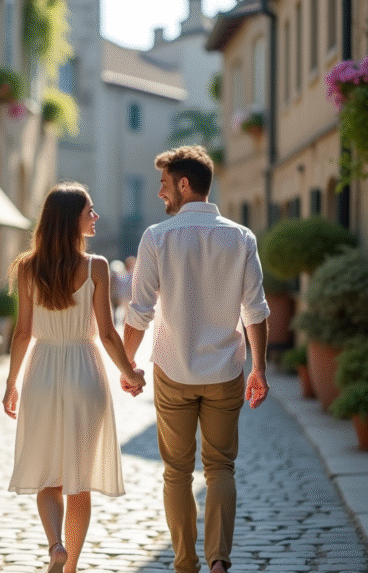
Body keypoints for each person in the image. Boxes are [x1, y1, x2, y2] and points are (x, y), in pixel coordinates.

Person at [120, 146, 270, 573]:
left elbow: (140, 310)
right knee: (221, 467)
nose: (160, 194)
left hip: (173, 371)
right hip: (225, 371)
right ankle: (219, 561)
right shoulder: (241, 237)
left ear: (184, 184)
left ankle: (185, 564)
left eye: (165, 185)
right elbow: (255, 310)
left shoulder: (157, 237)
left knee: (176, 472)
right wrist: (258, 368)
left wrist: (128, 365)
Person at [2, 182, 146, 573]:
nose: (95, 217)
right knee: (79, 481)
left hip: (42, 373)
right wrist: (130, 373)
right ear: (71, 219)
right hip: (85, 371)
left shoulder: (28, 268)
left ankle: (55, 546)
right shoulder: (95, 266)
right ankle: (71, 568)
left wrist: (11, 383)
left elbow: (22, 333)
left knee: (49, 477)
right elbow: (107, 334)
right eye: (90, 211)